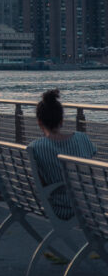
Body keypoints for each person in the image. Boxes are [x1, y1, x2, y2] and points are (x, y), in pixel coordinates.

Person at [27, 89, 96, 219]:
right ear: (62, 120)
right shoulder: (82, 138)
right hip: (89, 205)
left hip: (58, 208)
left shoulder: (35, 147)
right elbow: (89, 171)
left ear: (39, 122)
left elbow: (39, 184)